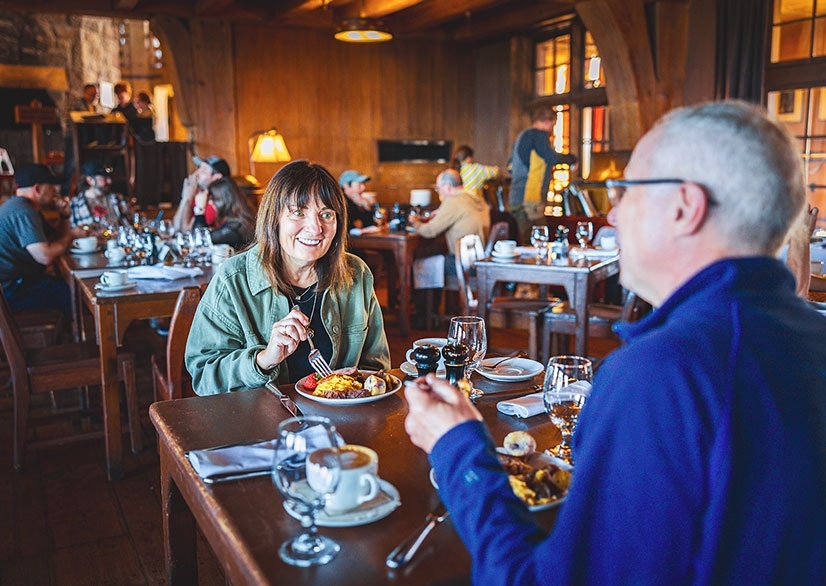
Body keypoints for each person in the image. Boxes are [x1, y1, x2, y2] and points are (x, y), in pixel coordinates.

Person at [404, 101, 826, 585]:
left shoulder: (664, 374)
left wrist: (457, 447)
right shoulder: (810, 334)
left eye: (625, 191)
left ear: (684, 207)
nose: (613, 216)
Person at [185, 159, 390, 392]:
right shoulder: (233, 280)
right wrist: (263, 360)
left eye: (326, 214)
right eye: (298, 212)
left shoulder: (357, 274)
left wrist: (354, 383)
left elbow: (376, 367)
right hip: (258, 422)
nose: (315, 228)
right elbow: (204, 376)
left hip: (339, 423)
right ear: (274, 219)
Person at [0, 164, 87, 312]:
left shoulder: (27, 207)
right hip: (13, 290)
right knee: (80, 294)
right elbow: (45, 256)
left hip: (21, 283)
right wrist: (72, 235)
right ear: (38, 189)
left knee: (74, 285)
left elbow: (55, 240)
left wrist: (64, 215)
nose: (55, 191)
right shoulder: (22, 211)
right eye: (52, 187)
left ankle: (69, 332)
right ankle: (81, 334)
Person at [507, 107, 577, 243]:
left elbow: (510, 167)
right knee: (538, 243)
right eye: (553, 125)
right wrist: (572, 160)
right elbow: (551, 157)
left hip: (515, 198)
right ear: (546, 121)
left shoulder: (522, 136)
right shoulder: (537, 135)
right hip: (530, 200)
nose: (552, 129)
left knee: (527, 242)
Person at [191, 177, 256, 250]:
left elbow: (200, 240)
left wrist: (200, 209)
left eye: (212, 199)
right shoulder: (240, 221)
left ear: (222, 200)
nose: (210, 202)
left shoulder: (235, 228)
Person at [172, 155, 229, 232]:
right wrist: (185, 198)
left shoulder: (215, 202)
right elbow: (175, 228)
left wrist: (188, 199)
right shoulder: (199, 195)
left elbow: (188, 233)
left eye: (204, 170)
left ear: (216, 177)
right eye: (199, 168)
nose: (196, 173)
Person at [69, 160, 133, 229]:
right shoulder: (75, 205)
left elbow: (131, 224)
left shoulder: (118, 199)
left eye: (109, 177)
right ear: (89, 180)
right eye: (104, 178)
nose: (109, 181)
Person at [62, 83, 100, 195]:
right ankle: (65, 195)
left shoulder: (93, 107)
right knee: (70, 167)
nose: (94, 97)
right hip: (74, 140)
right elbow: (71, 121)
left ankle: (85, 193)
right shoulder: (76, 104)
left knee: (87, 167)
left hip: (88, 141)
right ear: (85, 93)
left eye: (96, 95)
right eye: (91, 94)